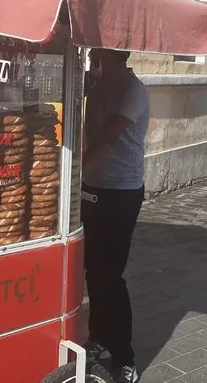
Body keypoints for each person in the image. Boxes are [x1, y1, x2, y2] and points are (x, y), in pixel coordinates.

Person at [81, 49, 149, 383]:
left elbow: (106, 139)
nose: (92, 59)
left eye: (96, 55)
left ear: (107, 57)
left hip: (121, 191)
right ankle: (98, 336)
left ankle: (124, 356)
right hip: (92, 185)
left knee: (110, 275)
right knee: (92, 269)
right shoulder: (96, 85)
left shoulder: (131, 89)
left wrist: (72, 171)